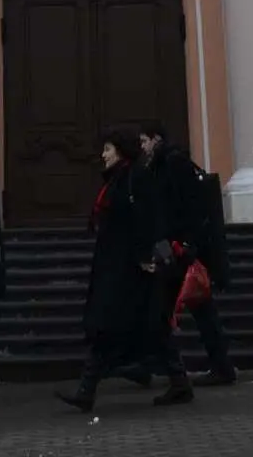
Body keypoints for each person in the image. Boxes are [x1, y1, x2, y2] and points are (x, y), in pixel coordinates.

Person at [59, 126, 192, 411]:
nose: (102, 154)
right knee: (146, 324)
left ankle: (88, 389)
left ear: (120, 151)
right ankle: (177, 381)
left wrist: (146, 255)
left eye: (107, 149)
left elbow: (149, 218)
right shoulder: (119, 179)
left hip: (131, 267)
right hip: (116, 263)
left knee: (115, 324)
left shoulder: (135, 178)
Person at [140, 122, 237, 387]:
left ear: (156, 139)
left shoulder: (172, 164)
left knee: (176, 309)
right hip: (176, 247)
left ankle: (161, 370)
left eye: (144, 141)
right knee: (195, 308)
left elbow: (186, 206)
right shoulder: (161, 165)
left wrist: (185, 241)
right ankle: (218, 366)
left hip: (181, 249)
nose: (142, 147)